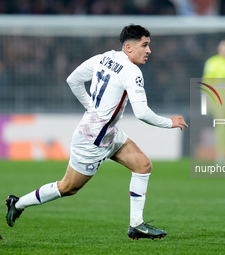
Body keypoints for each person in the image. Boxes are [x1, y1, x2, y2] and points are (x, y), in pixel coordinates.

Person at [5, 24, 188, 240]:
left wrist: (91, 107)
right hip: (92, 140)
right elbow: (141, 112)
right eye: (145, 45)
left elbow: (72, 80)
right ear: (129, 48)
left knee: (143, 165)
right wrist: (169, 122)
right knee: (68, 187)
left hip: (108, 132)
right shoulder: (132, 71)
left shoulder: (104, 57)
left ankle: (136, 225)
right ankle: (18, 203)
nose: (149, 50)